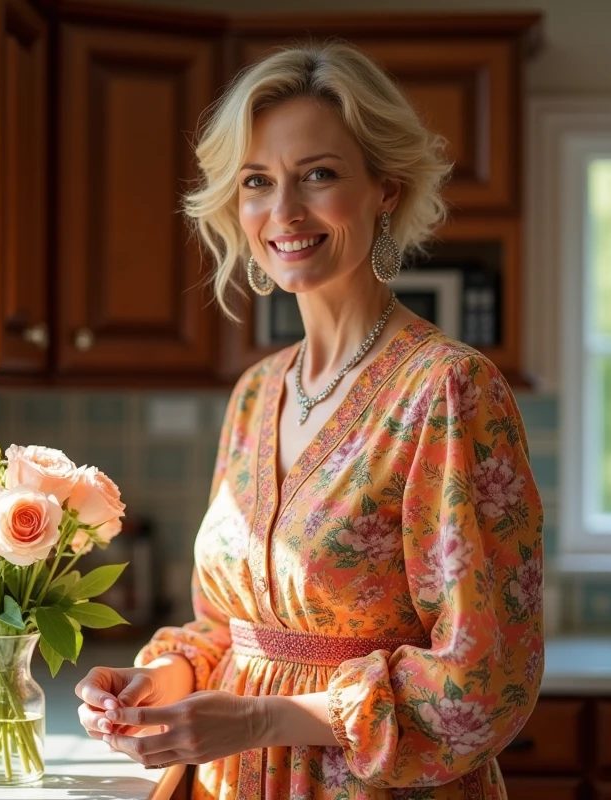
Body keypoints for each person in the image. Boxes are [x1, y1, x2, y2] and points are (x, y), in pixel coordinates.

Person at [76, 42, 544, 800]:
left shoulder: (448, 390)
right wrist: (159, 680)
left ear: (384, 189)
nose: (284, 212)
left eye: (318, 175)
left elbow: (485, 681)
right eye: (257, 182)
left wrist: (263, 720)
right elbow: (229, 626)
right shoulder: (257, 391)